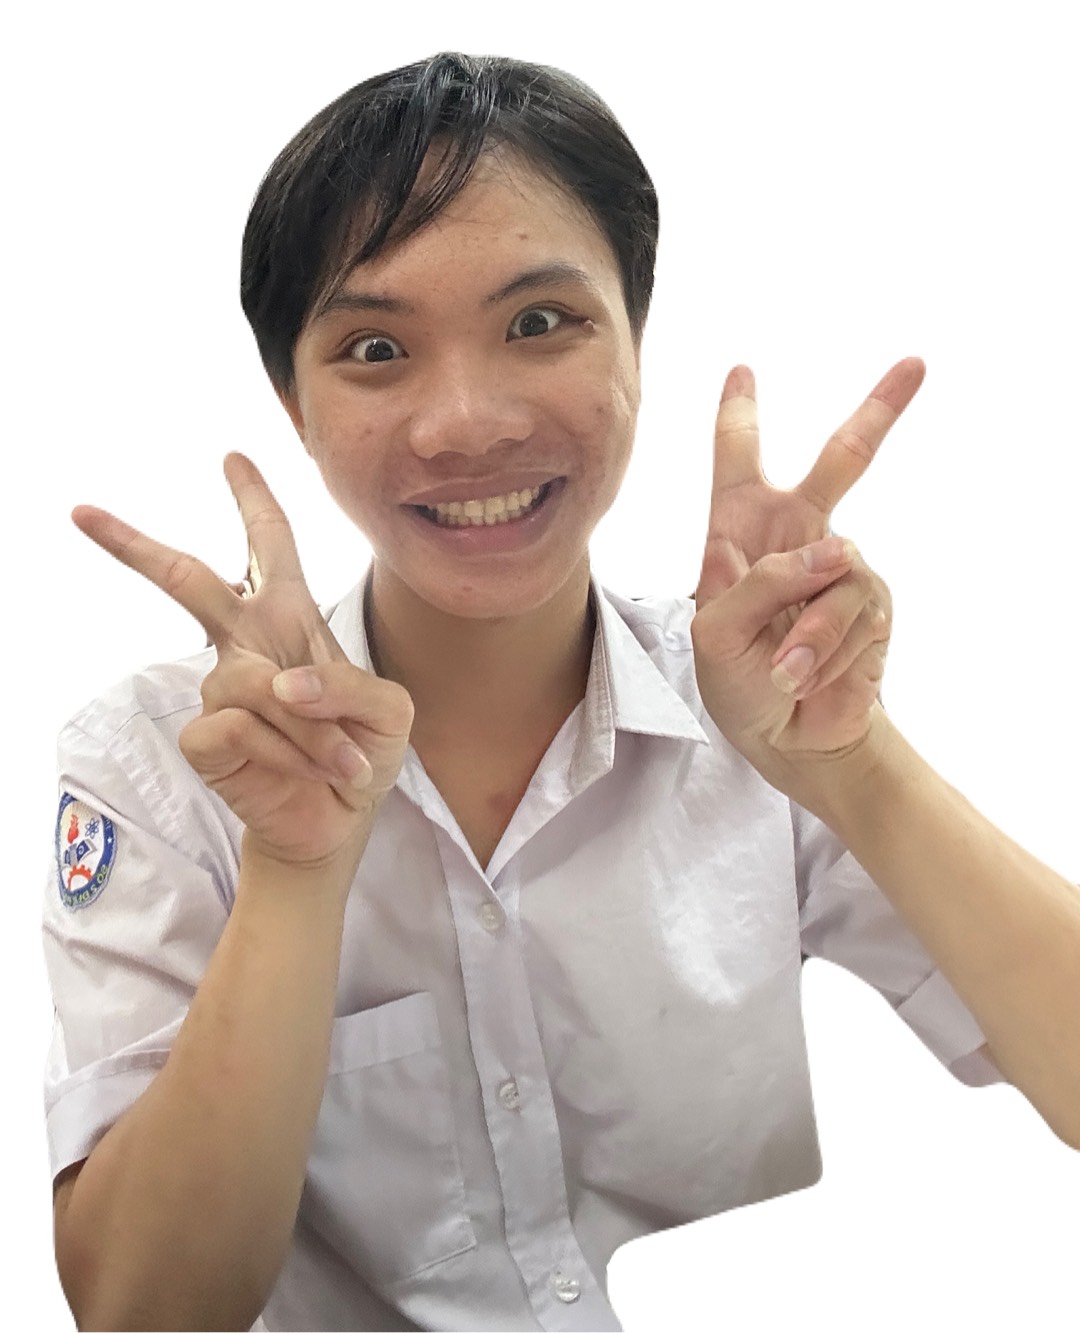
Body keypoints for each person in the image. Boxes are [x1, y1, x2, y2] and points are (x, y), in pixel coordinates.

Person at [42, 50, 1079, 1333]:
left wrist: (851, 766)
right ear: (295, 407)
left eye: (539, 324)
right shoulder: (168, 762)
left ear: (636, 339)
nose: (465, 424)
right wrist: (296, 874)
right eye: (376, 348)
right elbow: (145, 1312)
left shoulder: (752, 705)